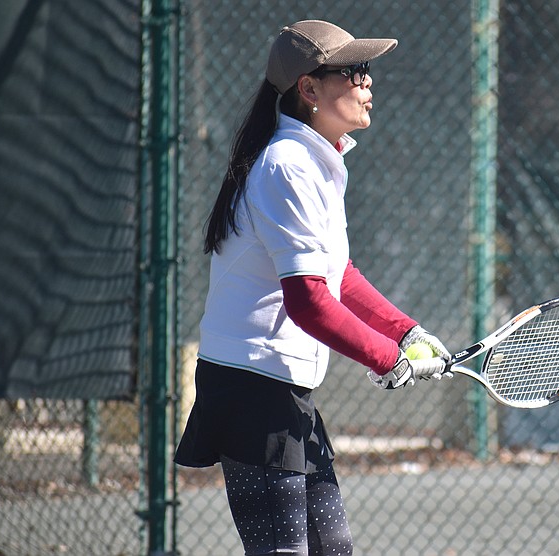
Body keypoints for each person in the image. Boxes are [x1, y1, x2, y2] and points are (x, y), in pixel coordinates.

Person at [174, 20, 452, 556]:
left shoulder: (318, 161)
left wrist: (407, 332)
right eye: (356, 72)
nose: (368, 84)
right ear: (309, 88)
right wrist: (386, 358)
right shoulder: (286, 165)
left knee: (334, 549)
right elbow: (308, 301)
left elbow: (339, 275)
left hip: (280, 390)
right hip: (250, 387)